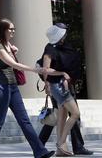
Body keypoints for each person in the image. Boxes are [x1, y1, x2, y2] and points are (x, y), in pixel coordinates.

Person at [0, 19, 54, 158]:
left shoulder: (9, 46)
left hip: (13, 88)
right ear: (3, 30)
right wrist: (35, 70)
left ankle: (40, 152)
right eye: (10, 29)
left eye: (14, 29)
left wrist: (14, 51)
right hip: (1, 88)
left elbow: (13, 64)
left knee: (24, 120)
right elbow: (13, 65)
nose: (13, 31)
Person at [38, 23, 92, 156]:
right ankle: (61, 144)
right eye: (64, 33)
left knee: (61, 117)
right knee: (75, 114)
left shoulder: (63, 47)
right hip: (57, 86)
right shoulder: (50, 48)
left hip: (63, 85)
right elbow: (45, 69)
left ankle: (60, 149)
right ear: (59, 34)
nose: (65, 35)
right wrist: (55, 79)